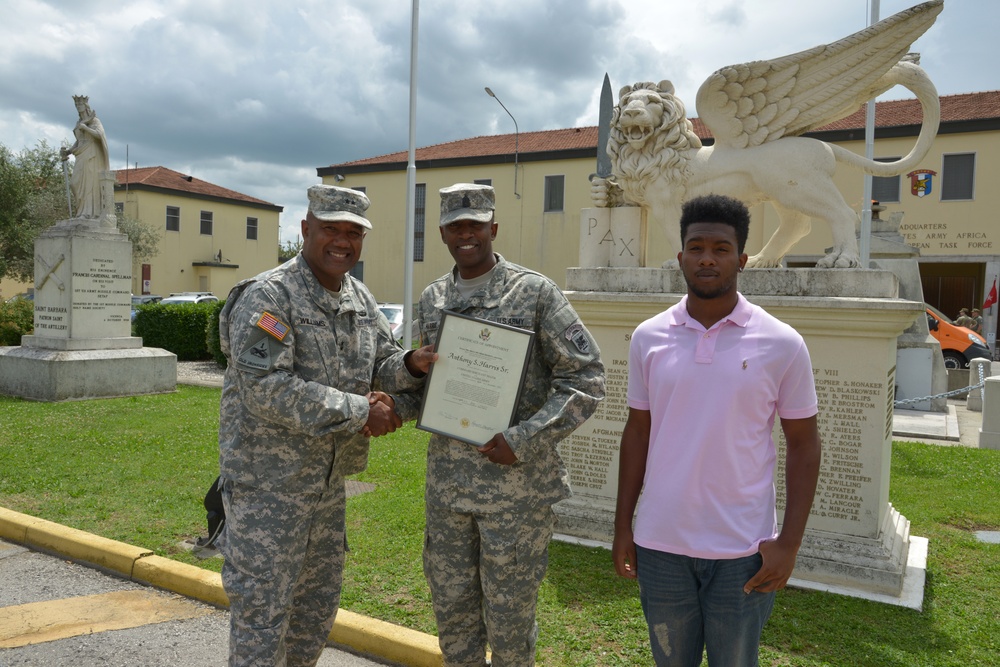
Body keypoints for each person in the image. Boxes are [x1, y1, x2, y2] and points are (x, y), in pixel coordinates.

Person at [217, 184, 435, 666]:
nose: (342, 241)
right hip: (268, 492)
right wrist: (362, 411)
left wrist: (414, 365)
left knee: (314, 617)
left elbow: (381, 363)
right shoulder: (270, 298)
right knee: (262, 621)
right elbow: (267, 387)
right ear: (305, 230)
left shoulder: (359, 298)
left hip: (326, 490)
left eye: (353, 232)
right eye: (330, 229)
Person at [613, 194, 822, 667]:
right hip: (661, 544)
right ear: (680, 256)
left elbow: (804, 445)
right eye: (696, 247)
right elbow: (638, 433)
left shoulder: (781, 342)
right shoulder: (649, 337)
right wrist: (624, 524)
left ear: (742, 259)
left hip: (743, 552)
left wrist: (788, 544)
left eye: (721, 248)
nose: (707, 257)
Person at [415, 183, 605, 667]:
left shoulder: (536, 293)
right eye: (456, 226)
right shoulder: (432, 299)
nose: (466, 235)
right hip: (449, 492)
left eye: (475, 225)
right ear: (442, 232)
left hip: (515, 495)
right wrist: (401, 378)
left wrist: (521, 439)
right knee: (453, 618)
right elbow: (429, 384)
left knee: (510, 625)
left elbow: (585, 380)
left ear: (493, 229)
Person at [60, 95, 110, 218]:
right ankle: (80, 211)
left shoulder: (94, 121)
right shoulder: (79, 122)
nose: (78, 107)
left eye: (80, 104)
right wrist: (69, 152)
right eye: (76, 105)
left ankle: (88, 212)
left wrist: (86, 128)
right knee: (75, 182)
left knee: (89, 183)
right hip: (80, 153)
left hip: (91, 154)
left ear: (86, 106)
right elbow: (79, 140)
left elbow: (99, 135)